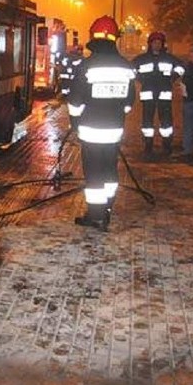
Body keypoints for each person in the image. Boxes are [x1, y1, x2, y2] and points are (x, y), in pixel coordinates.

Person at [67, 16, 136, 230]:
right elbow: (128, 103)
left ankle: (95, 216)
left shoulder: (86, 66)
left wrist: (75, 124)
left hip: (90, 130)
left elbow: (75, 102)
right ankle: (106, 209)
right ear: (115, 38)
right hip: (114, 130)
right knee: (109, 171)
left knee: (94, 173)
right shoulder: (126, 67)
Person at [132, 31, 184, 156]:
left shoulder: (169, 58)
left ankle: (166, 145)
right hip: (148, 93)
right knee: (147, 122)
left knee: (166, 121)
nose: (157, 45)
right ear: (150, 44)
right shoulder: (141, 59)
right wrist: (141, 79)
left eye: (159, 42)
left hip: (164, 93)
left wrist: (172, 78)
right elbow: (131, 70)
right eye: (155, 42)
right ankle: (148, 145)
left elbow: (181, 68)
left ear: (162, 44)